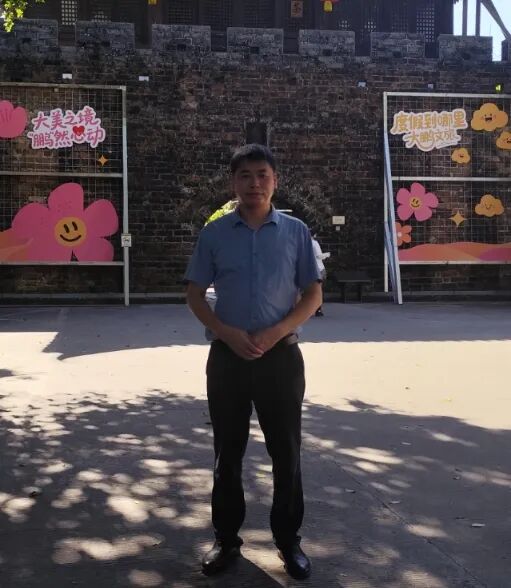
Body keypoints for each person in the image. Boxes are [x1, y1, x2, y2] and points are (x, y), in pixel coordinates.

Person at [184, 144, 322, 580]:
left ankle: (289, 540)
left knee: (286, 450)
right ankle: (226, 539)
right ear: (233, 182)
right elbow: (194, 294)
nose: (254, 183)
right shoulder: (215, 234)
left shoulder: (296, 232)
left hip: (281, 358)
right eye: (245, 175)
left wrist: (276, 331)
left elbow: (313, 294)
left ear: (275, 181)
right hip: (228, 357)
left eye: (262, 174)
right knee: (227, 451)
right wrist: (225, 332)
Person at [311, 234, 330, 316]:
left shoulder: (302, 242)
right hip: (318, 268)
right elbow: (319, 256)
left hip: (307, 268)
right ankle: (318, 309)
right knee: (318, 289)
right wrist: (327, 255)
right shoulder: (314, 243)